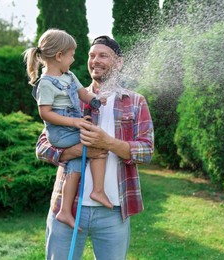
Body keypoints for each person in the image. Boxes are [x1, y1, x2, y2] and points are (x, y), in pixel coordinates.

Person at [36, 35, 154, 260]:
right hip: (67, 207)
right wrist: (80, 152)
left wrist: (108, 143)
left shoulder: (136, 102)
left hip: (113, 211)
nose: (95, 60)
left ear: (119, 62)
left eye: (103, 55)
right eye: (91, 55)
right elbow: (42, 147)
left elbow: (147, 151)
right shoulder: (70, 96)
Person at [23, 29, 113, 231]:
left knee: (75, 166)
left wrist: (96, 100)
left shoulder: (70, 76)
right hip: (60, 133)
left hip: (72, 125)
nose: (73, 59)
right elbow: (45, 113)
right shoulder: (46, 83)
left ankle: (64, 211)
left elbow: (83, 94)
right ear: (59, 56)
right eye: (72, 55)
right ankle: (98, 191)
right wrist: (75, 123)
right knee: (98, 146)